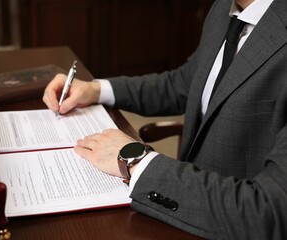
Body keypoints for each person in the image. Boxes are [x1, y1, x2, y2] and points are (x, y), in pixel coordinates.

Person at [43, 0, 287, 239]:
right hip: (182, 209)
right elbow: (182, 84)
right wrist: (96, 90)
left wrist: (136, 161)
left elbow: (268, 210)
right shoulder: (224, 8)